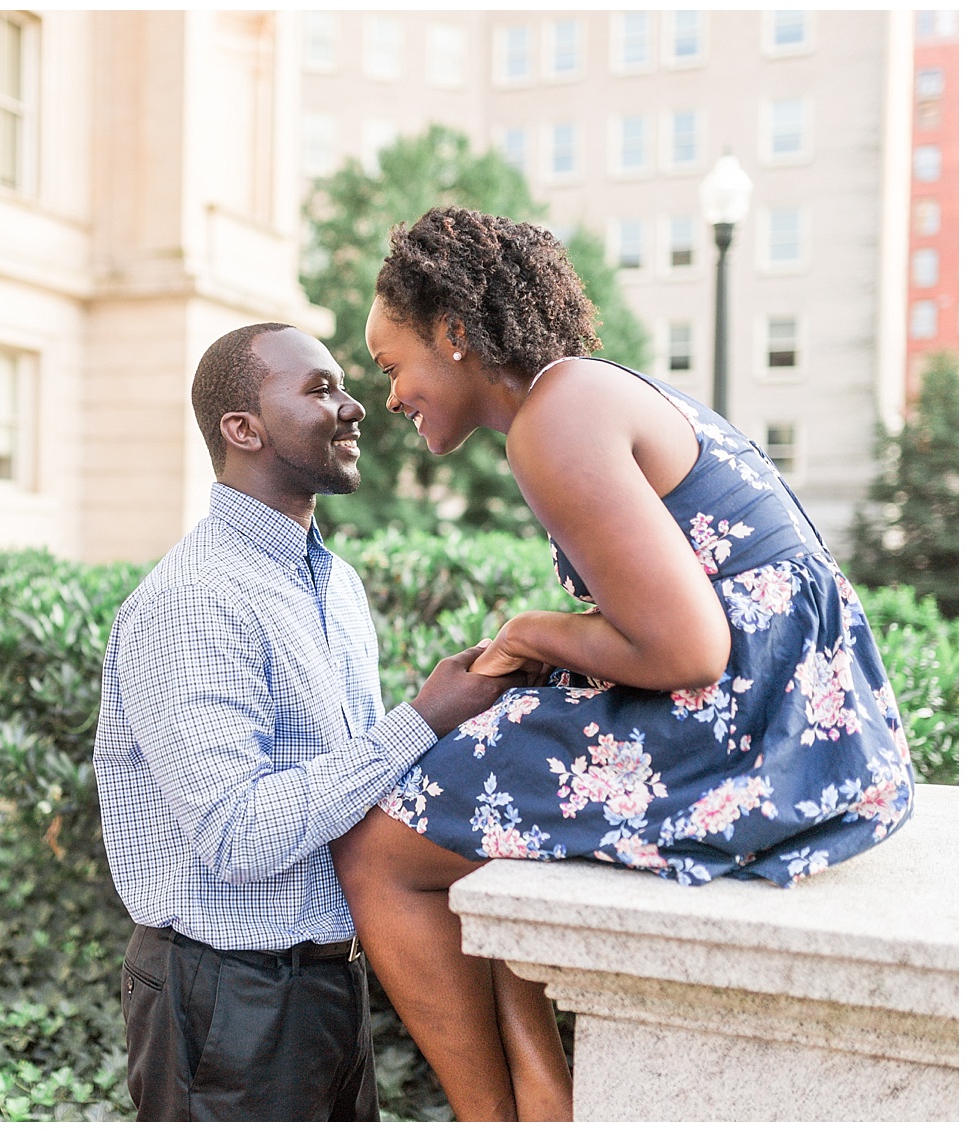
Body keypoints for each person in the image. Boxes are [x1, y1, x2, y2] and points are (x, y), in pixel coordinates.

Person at [331, 207, 916, 1121]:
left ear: (453, 336)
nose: (390, 395)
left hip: (753, 725)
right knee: (481, 779)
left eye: (390, 364)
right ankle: (542, 1099)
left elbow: (688, 648)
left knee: (375, 850)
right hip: (803, 708)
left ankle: (494, 1117)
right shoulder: (583, 393)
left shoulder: (556, 419)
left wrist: (533, 630)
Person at [93, 322, 525, 1121]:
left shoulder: (335, 585)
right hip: (227, 1000)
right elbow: (238, 834)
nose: (356, 405)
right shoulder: (194, 601)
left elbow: (352, 792)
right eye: (319, 389)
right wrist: (421, 718)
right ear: (243, 430)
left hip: (332, 982)